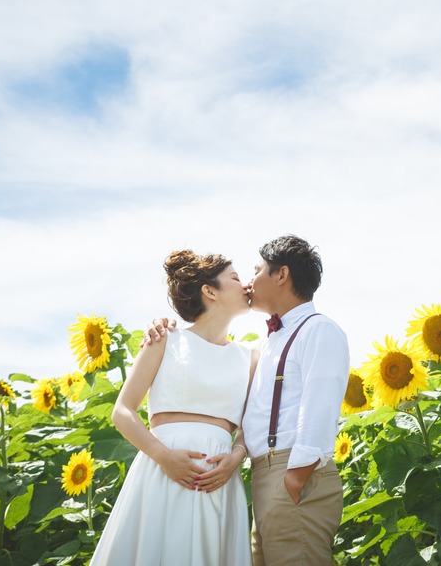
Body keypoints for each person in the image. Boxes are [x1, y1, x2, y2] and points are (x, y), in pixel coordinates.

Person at [144, 235, 350, 566]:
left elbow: (320, 412)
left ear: (281, 275)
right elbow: (250, 415)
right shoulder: (269, 344)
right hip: (263, 477)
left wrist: (293, 482)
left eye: (255, 270)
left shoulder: (319, 330)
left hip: (291, 474)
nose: (249, 282)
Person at [92, 250, 258, 566]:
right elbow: (123, 410)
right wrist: (165, 458)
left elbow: (250, 426)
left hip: (217, 480)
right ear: (210, 291)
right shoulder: (166, 339)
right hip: (164, 471)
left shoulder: (249, 357)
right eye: (236, 278)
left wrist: (235, 459)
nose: (246, 284)